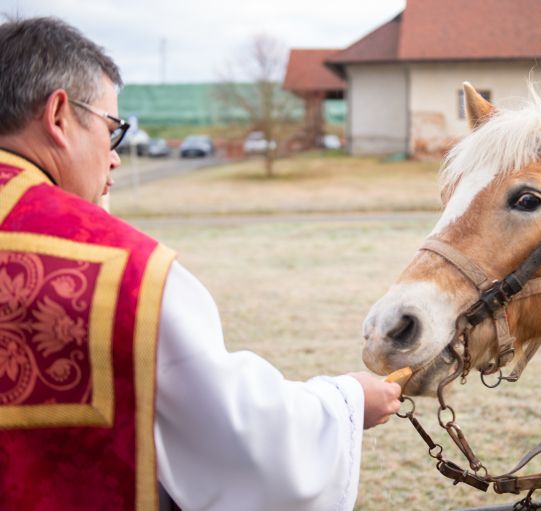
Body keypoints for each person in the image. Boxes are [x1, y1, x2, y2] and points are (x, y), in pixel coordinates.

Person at [0, 16, 401, 511]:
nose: (116, 158)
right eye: (112, 129)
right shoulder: (121, 274)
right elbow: (240, 439)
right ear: (59, 116)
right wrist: (347, 402)